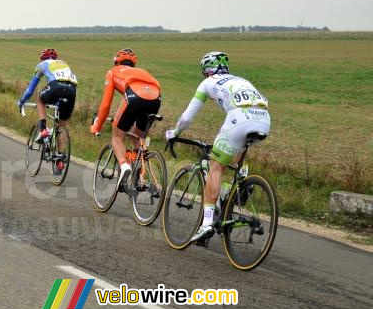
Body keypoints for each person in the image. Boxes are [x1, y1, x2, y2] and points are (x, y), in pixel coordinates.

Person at [165, 51, 271, 242]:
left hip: (240, 118)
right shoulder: (240, 80)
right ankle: (236, 188)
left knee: (215, 166)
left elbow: (187, 118)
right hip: (264, 120)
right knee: (234, 156)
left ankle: (206, 224)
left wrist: (175, 133)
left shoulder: (208, 82)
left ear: (207, 70)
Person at [90, 48, 162, 189]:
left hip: (134, 95)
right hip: (156, 98)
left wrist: (96, 126)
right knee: (138, 137)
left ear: (116, 62)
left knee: (117, 137)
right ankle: (141, 175)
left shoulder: (112, 72)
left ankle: (124, 166)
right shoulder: (141, 71)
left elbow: (106, 104)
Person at [17, 49, 77, 172]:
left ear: (42, 58)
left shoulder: (42, 65)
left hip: (55, 87)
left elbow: (30, 89)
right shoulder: (63, 63)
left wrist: (22, 101)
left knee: (40, 100)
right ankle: (60, 160)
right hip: (71, 91)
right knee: (61, 126)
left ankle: (43, 129)